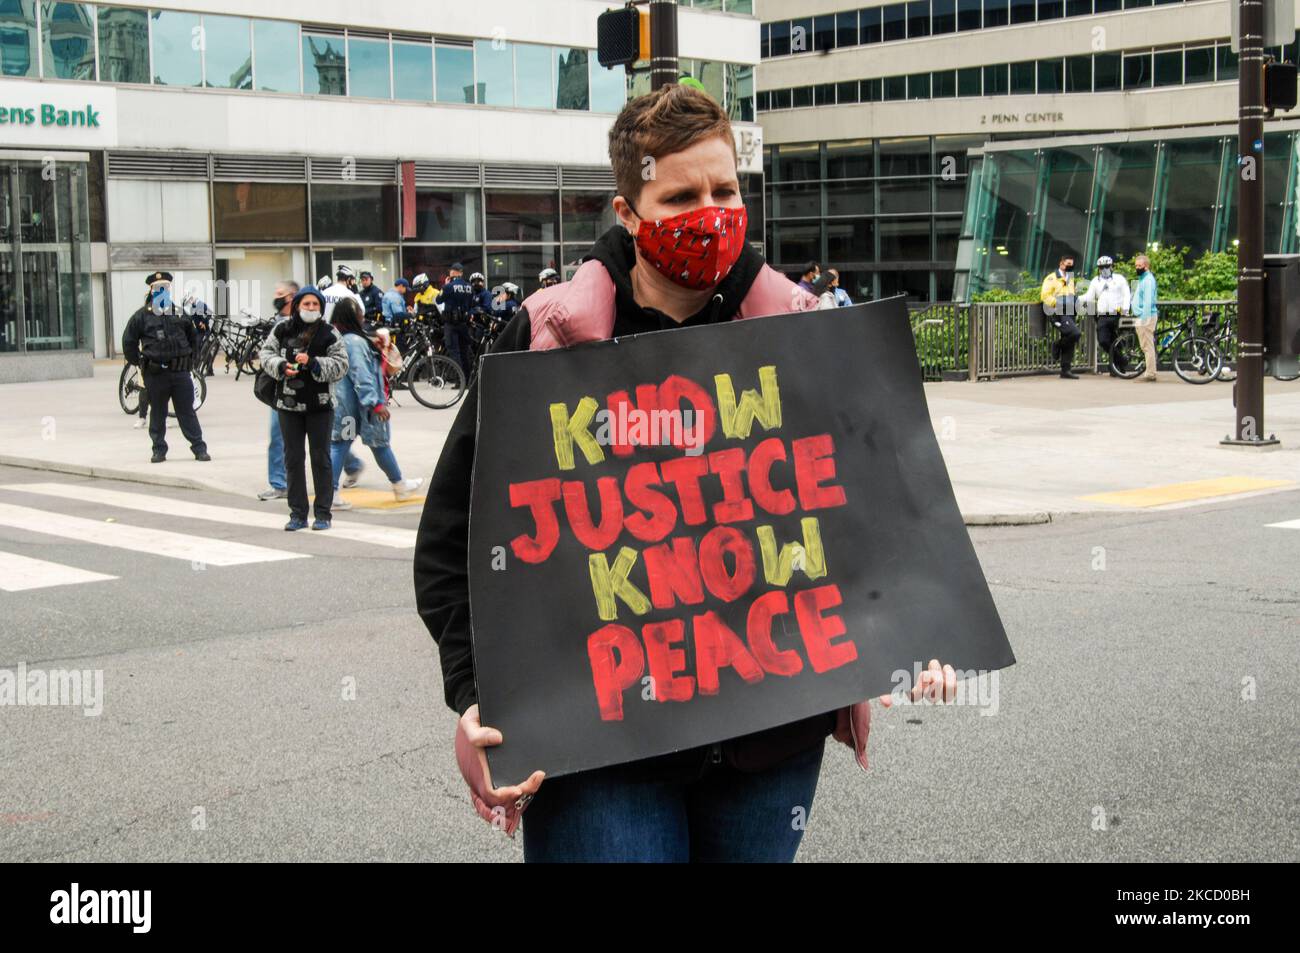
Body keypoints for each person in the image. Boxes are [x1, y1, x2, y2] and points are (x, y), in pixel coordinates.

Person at [414, 83, 961, 863]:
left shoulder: (803, 335)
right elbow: (449, 542)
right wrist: (474, 694)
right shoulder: (545, 341)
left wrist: (919, 621)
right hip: (602, 754)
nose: (711, 211)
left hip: (769, 747)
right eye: (681, 195)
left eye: (725, 189)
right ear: (628, 213)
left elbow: (875, 508)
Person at [258, 285, 349, 531]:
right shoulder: (282, 329)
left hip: (320, 406)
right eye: (306, 304)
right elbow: (265, 354)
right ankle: (297, 513)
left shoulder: (329, 333)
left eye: (315, 305)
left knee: (321, 459)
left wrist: (314, 362)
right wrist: (280, 366)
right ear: (297, 305)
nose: (311, 308)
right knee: (293, 459)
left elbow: (341, 365)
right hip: (288, 406)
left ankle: (323, 514)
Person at [328, 297, 424, 509]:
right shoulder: (354, 342)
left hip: (346, 406)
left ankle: (398, 485)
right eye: (360, 313)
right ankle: (398, 486)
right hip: (362, 407)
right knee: (376, 444)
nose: (363, 317)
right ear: (353, 316)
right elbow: (362, 375)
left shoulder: (341, 338)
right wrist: (375, 403)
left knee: (345, 445)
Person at [121, 271, 210, 464]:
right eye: (158, 288)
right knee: (158, 413)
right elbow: (128, 342)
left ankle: (199, 448)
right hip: (156, 373)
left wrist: (191, 361)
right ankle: (159, 450)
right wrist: (140, 363)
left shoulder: (179, 313)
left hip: (180, 372)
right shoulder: (141, 316)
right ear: (151, 291)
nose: (163, 291)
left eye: (166, 288)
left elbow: (193, 338)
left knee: (187, 412)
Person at [257, 281, 296, 501]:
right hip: (281, 389)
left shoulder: (304, 322)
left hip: (305, 389)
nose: (276, 297)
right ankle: (279, 483)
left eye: (280, 294)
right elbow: (266, 355)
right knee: (277, 435)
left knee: (323, 436)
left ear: (292, 297)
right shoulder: (278, 323)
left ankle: (351, 463)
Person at [1080, 255, 1130, 376]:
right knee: (1103, 341)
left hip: (1117, 314)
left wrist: (1125, 310)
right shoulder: (1095, 281)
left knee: (1116, 341)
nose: (1104, 269)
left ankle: (1116, 368)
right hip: (1102, 315)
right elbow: (1089, 297)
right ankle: (1121, 360)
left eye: (1107, 266)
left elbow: (1126, 295)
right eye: (1101, 267)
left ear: (1111, 266)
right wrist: (1075, 299)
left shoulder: (1119, 279)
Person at [1040, 254, 1082, 379]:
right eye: (1068, 264)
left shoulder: (1070, 278)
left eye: (1071, 264)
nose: (1070, 266)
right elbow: (1045, 296)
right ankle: (1057, 345)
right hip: (1057, 312)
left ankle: (1065, 370)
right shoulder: (1051, 278)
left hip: (1069, 311)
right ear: (1061, 264)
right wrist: (1058, 303)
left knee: (1070, 338)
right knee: (1075, 333)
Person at [435, 262, 477, 378]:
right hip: (464, 323)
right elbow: (472, 305)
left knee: (454, 351)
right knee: (464, 352)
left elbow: (438, 300)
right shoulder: (469, 287)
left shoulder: (448, 286)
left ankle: (459, 379)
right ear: (461, 273)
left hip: (451, 324)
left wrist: (445, 285)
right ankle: (467, 378)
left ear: (453, 272)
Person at [1131, 253, 1159, 382]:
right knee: (1146, 345)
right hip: (1144, 315)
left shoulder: (1147, 280)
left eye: (1140, 265)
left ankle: (1150, 373)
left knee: (1147, 346)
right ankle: (1150, 371)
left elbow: (1148, 301)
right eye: (1136, 265)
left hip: (1145, 317)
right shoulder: (1144, 279)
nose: (1137, 268)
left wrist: (1144, 318)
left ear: (1146, 266)